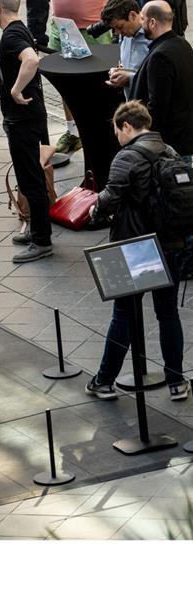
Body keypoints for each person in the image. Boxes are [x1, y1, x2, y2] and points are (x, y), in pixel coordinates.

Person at [86, 100, 188, 401]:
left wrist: (93, 207)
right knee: (168, 313)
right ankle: (176, 383)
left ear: (127, 126)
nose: (116, 136)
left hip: (137, 248)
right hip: (172, 244)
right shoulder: (169, 151)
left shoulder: (126, 157)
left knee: (124, 315)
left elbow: (110, 198)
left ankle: (103, 381)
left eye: (117, 130)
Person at [44, 0, 118, 154]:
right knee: (67, 82)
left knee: (102, 82)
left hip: (94, 29)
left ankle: (106, 128)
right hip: (62, 29)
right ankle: (73, 131)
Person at [0, 0, 53, 264]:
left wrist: (15, 90)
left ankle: (41, 240)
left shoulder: (13, 35)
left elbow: (32, 60)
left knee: (31, 179)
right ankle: (38, 230)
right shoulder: (20, 29)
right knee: (32, 177)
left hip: (22, 119)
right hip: (30, 116)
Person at [130, 1, 193, 156]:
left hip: (172, 141)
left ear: (152, 22)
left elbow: (157, 106)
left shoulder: (160, 56)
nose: (140, 22)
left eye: (143, 19)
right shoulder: (182, 44)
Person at [100, 0, 150, 100]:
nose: (118, 33)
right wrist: (118, 71)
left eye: (120, 27)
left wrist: (129, 78)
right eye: (114, 29)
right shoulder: (125, 35)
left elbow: (157, 77)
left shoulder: (151, 37)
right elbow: (127, 64)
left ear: (132, 15)